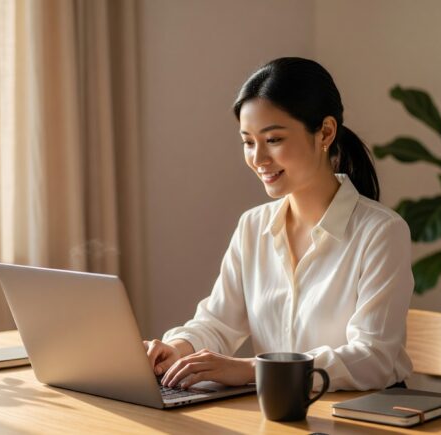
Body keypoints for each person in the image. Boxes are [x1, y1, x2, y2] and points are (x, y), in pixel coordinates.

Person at [144, 57, 414, 392]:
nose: (258, 159)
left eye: (273, 140)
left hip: (363, 415)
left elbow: (373, 357)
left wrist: (250, 369)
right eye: (248, 141)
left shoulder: (381, 232)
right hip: (281, 412)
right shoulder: (253, 226)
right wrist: (178, 349)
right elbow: (218, 322)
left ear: (326, 132)